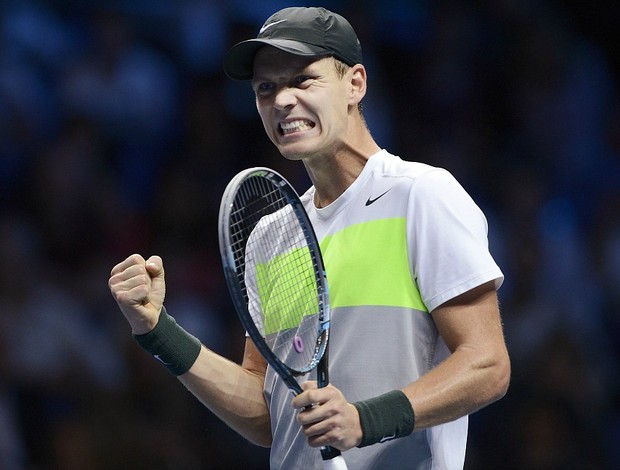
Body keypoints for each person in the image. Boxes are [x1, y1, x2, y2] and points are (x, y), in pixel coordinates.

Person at [108, 7, 510, 469]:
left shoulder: (421, 196)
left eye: (302, 80)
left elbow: (487, 364)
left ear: (355, 84)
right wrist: (157, 330)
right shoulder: (271, 237)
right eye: (266, 88)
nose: (281, 101)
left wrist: (364, 420)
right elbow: (266, 416)